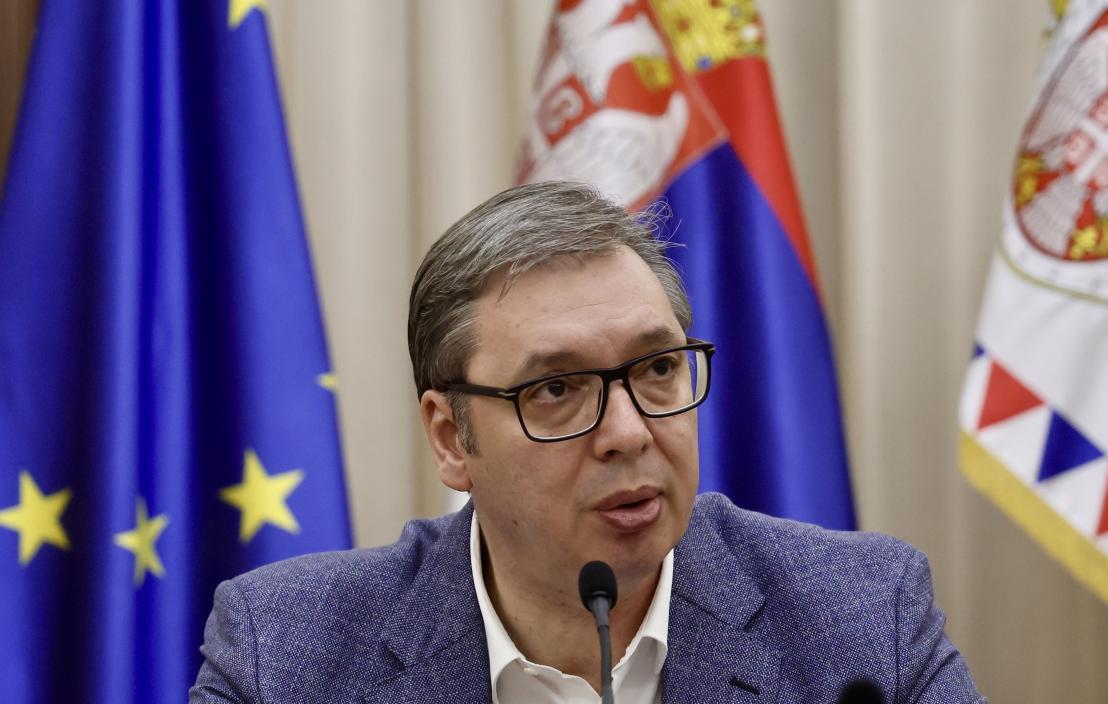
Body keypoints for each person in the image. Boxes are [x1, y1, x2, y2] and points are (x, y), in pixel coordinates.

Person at [191, 182, 984, 703]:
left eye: (658, 369)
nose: (629, 433)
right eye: (556, 389)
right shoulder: (285, 655)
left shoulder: (863, 623)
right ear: (452, 438)